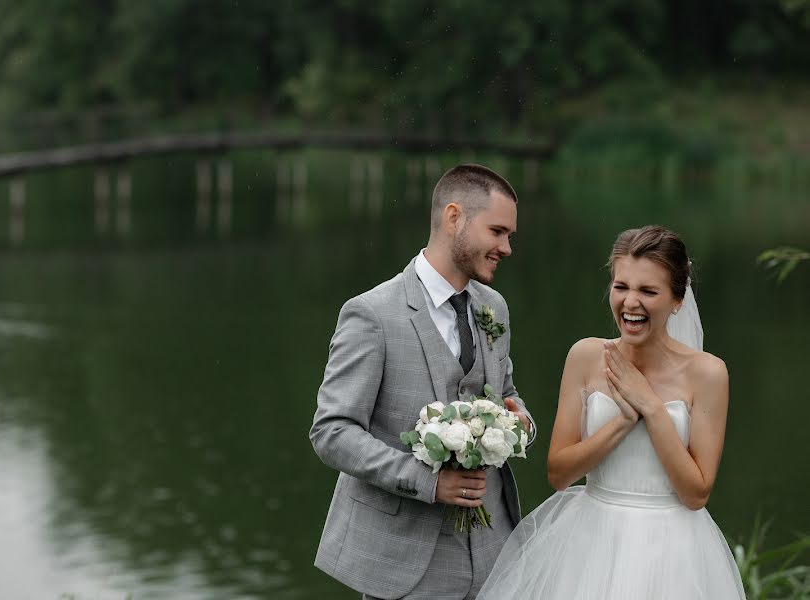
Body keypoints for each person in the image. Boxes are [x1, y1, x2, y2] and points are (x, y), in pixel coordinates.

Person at [477, 225, 745, 599]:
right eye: (621, 287)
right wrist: (621, 422)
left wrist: (650, 407)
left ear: (677, 299)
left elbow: (696, 493)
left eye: (648, 291)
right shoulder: (586, 356)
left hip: (673, 548)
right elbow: (559, 473)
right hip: (590, 540)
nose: (630, 303)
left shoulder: (708, 373)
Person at [310, 164, 537, 599]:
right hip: (404, 562)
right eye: (498, 231)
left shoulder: (495, 308)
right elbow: (332, 432)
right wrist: (428, 482)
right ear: (454, 217)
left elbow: (506, 394)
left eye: (510, 236)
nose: (507, 247)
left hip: (495, 552)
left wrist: (520, 421)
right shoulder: (372, 314)